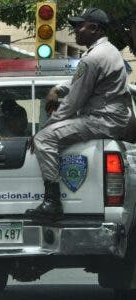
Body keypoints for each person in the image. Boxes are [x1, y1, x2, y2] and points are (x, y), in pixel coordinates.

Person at [26, 8, 132, 219]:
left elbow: (72, 103)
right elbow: (79, 83)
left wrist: (45, 127)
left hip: (103, 119)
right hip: (111, 117)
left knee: (45, 139)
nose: (75, 31)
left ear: (93, 28)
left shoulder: (92, 58)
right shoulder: (108, 51)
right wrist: (58, 89)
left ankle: (52, 202)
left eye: (78, 26)